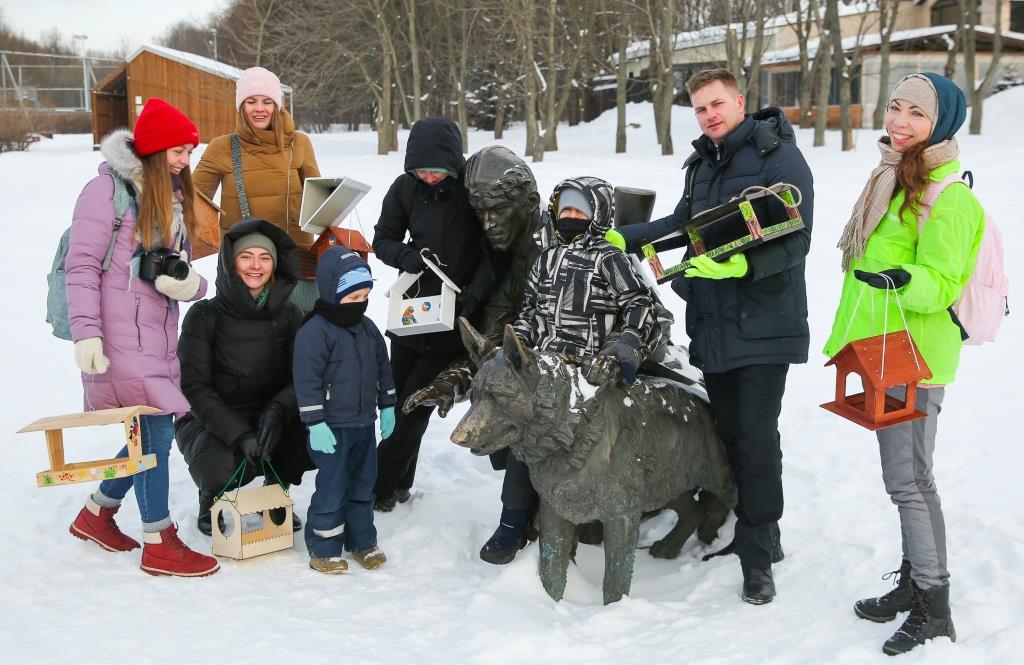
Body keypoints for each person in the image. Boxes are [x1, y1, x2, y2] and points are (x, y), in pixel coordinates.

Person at [607, 68, 814, 605]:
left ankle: (759, 554)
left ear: (740, 101)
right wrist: (621, 237)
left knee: (757, 438)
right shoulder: (701, 164)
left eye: (717, 104)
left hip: (764, 322)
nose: (710, 115)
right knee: (729, 432)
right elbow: (681, 221)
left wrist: (738, 270)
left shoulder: (779, 157)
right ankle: (758, 533)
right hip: (714, 323)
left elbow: (796, 241)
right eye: (700, 109)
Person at [824, 73, 977, 656]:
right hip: (885, 350)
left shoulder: (949, 196)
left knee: (907, 482)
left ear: (938, 125)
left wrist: (903, 278)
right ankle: (917, 585)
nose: (899, 122)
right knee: (913, 479)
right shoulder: (891, 180)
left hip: (916, 355)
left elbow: (941, 281)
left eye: (916, 113)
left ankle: (934, 606)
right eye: (895, 107)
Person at [66, 98, 219, 577]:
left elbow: (178, 266)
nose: (184, 161)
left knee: (149, 434)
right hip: (116, 341)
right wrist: (86, 336)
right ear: (152, 149)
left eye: (188, 152)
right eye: (177, 150)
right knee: (152, 432)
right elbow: (82, 266)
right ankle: (159, 540)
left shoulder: (171, 197)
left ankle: (96, 512)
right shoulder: (104, 192)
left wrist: (192, 285)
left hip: (155, 336)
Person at [496, 176, 660, 562]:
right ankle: (512, 521)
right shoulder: (547, 258)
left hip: (588, 370)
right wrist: (517, 342)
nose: (570, 217)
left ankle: (578, 518)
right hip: (545, 365)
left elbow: (639, 304)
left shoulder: (610, 258)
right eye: (564, 210)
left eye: (579, 211)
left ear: (598, 214)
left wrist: (624, 344)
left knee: (572, 445)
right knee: (524, 438)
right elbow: (533, 312)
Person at [371, 117, 495, 511]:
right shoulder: (405, 188)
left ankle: (375, 488)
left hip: (454, 317)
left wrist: (474, 295)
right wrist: (407, 256)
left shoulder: (473, 192)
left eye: (435, 170)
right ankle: (399, 483)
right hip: (412, 312)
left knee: (414, 408)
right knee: (394, 402)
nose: (427, 177)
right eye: (420, 170)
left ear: (453, 164)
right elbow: (383, 239)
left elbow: (494, 252)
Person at [176, 218, 314, 536]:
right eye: (246, 256)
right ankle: (210, 497)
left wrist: (278, 412)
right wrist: (239, 434)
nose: (256, 266)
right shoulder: (204, 316)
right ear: (230, 262)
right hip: (212, 417)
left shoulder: (291, 315)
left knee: (315, 432)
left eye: (265, 258)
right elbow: (193, 387)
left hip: (270, 411)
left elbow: (304, 377)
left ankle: (275, 492)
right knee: (221, 462)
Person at [293, 247, 397, 574]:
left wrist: (389, 405)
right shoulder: (315, 331)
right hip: (330, 427)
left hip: (363, 425)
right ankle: (323, 547)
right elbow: (306, 379)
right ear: (332, 293)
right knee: (334, 487)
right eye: (354, 297)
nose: (361, 303)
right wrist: (314, 421)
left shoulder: (367, 329)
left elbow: (384, 369)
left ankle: (362, 541)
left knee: (363, 484)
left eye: (366, 295)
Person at [193, 67, 322, 311]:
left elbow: (317, 202)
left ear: (278, 106)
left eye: (267, 101)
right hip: (244, 265)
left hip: (296, 262)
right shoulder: (222, 147)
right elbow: (194, 203)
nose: (259, 108)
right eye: (251, 101)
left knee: (299, 338)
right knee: (246, 341)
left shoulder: (300, 143)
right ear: (241, 107)